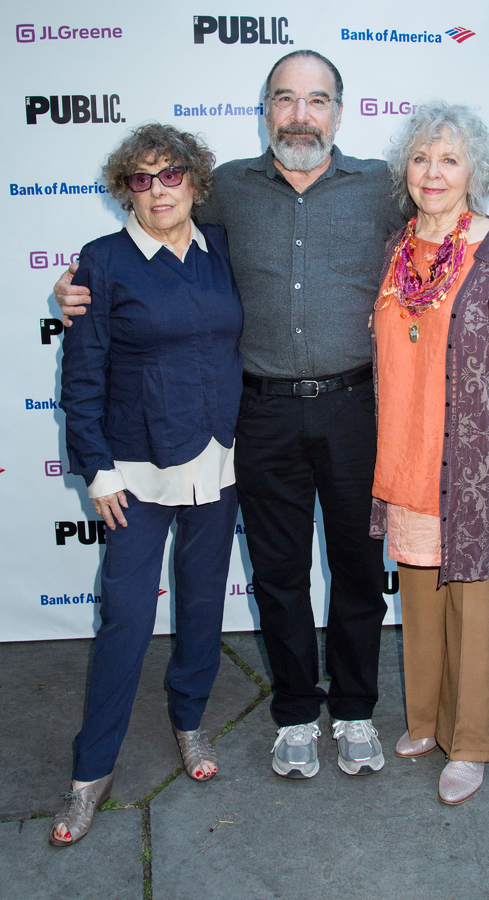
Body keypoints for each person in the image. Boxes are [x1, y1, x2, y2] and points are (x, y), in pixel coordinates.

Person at [54, 51, 489, 781]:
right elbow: (159, 233)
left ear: (339, 113)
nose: (300, 115)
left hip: (357, 411)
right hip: (259, 415)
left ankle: (353, 709)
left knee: (355, 570)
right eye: (285, 99)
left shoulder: (382, 188)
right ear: (266, 109)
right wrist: (81, 282)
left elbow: (454, 218)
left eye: (316, 100)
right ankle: (294, 711)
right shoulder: (223, 189)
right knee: (280, 574)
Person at [50, 124, 243, 847]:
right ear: (124, 187)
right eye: (142, 179)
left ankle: (189, 722)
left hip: (217, 462)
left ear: (195, 181)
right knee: (126, 621)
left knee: (200, 607)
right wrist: (95, 466)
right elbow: (81, 377)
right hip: (133, 472)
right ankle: (89, 774)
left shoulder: (222, 248)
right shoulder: (101, 264)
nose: (158, 191)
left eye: (171, 176)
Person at [370, 101, 489, 804]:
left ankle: (469, 743)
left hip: (476, 471)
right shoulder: (395, 246)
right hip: (406, 463)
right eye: (421, 158)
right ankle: (424, 720)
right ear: (405, 172)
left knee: (475, 608)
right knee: (419, 597)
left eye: (449, 158)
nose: (433, 172)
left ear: (475, 170)